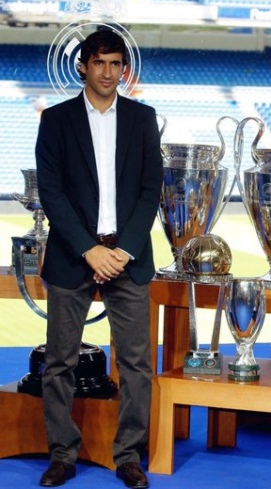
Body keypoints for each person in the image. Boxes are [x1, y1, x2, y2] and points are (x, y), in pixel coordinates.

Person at [35, 28, 163, 488]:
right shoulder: (56, 120)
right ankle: (62, 456)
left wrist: (122, 249)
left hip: (128, 254)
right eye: (99, 63)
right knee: (60, 362)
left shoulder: (143, 118)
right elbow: (51, 192)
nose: (108, 72)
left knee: (136, 363)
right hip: (75, 253)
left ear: (123, 70)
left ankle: (129, 455)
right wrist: (89, 250)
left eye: (115, 64)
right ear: (84, 66)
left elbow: (151, 190)